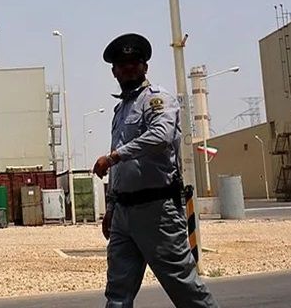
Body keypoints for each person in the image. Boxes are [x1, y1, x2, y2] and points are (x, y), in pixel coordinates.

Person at [92, 33, 218, 308]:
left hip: (157, 211)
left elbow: (160, 136)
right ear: (114, 71)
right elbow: (121, 167)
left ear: (144, 67)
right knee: (117, 292)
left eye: (134, 63)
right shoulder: (120, 110)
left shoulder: (157, 99)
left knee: (184, 286)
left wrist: (113, 157)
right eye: (122, 65)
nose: (128, 68)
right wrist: (111, 207)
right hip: (123, 214)